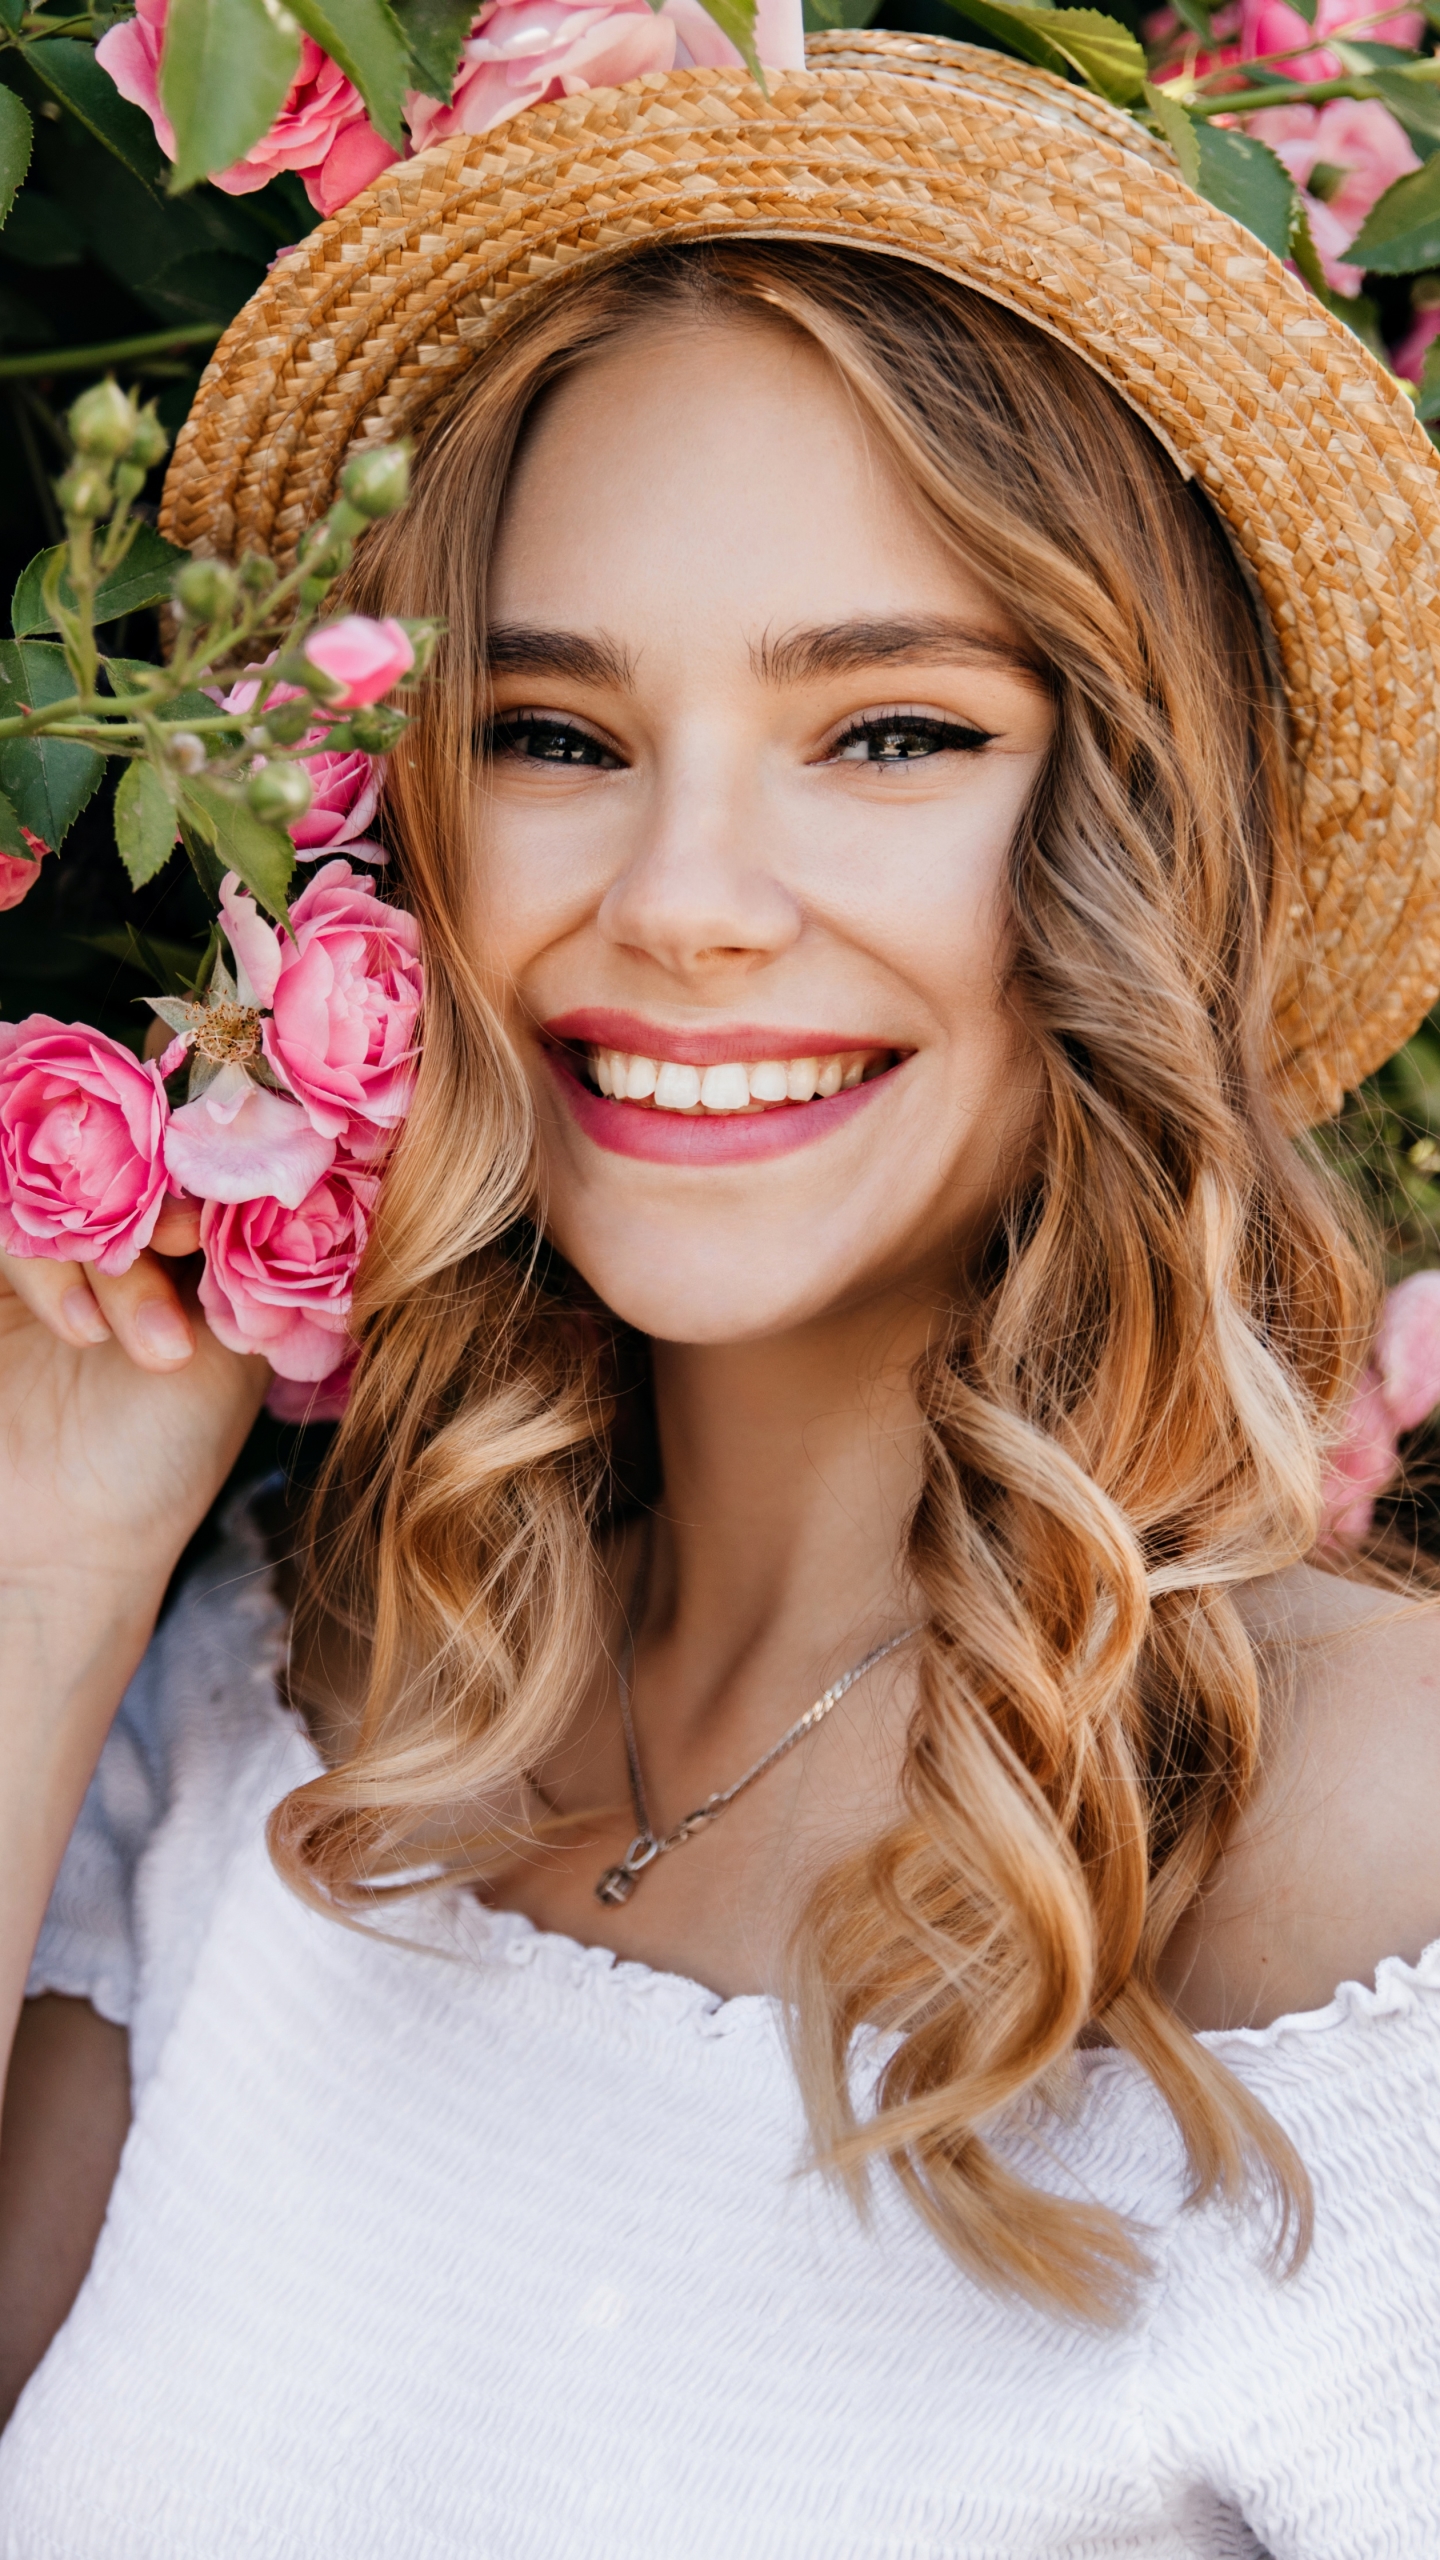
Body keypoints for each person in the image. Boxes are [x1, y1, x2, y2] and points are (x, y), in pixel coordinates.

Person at [1, 31, 1438, 2555]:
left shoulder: (1363, 1850)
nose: (675, 893)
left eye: (887, 729)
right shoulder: (286, 1687)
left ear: (1129, 839)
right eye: (555, 725)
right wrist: (61, 1553)